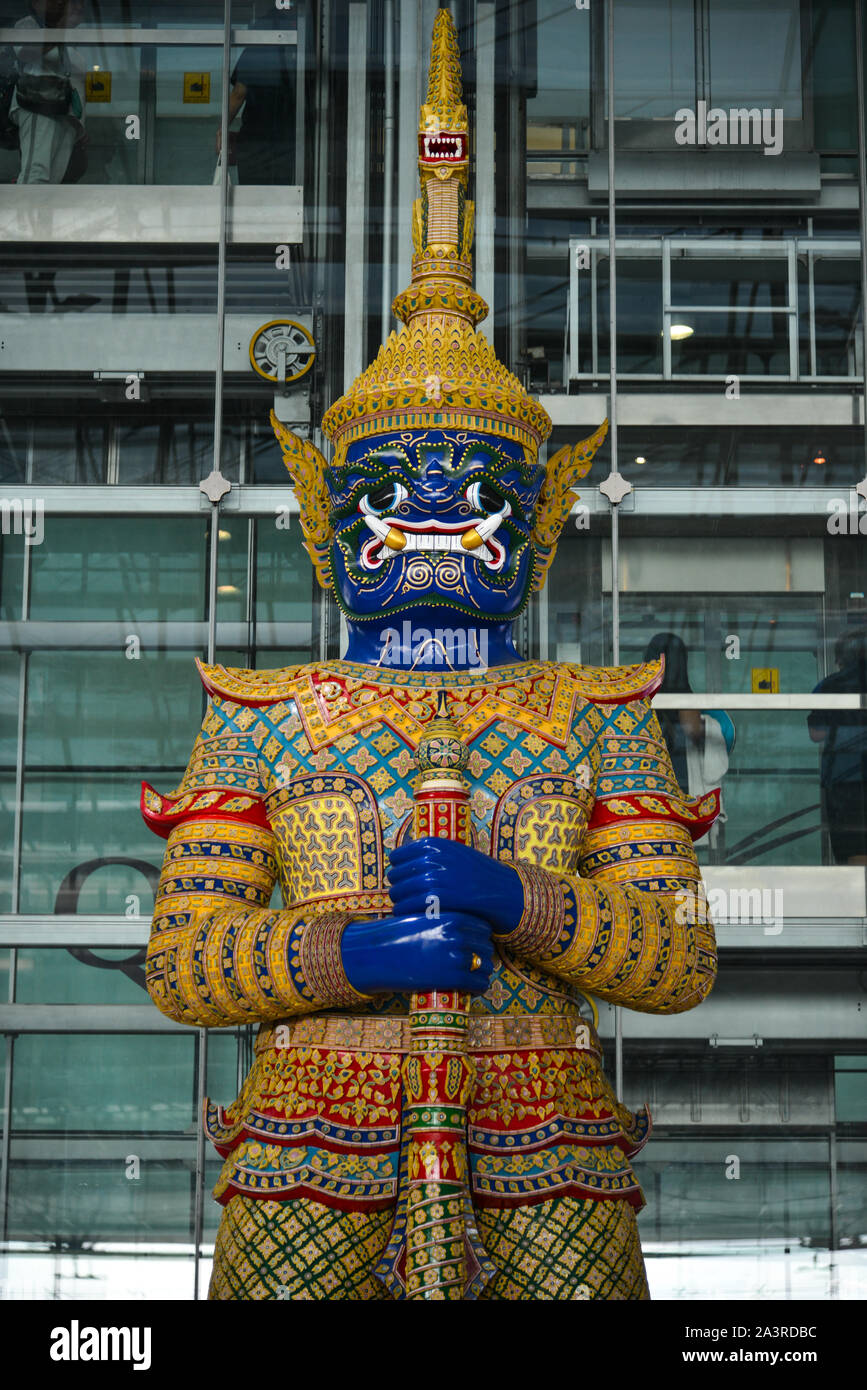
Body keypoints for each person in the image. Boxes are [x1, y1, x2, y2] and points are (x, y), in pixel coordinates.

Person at [143, 12, 719, 1302]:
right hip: (310, 1141)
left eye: (477, 490)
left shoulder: (598, 712)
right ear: (326, 511)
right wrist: (354, 954)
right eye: (401, 486)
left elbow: (678, 959)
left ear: (543, 515)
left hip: (547, 1141)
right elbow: (184, 963)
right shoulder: (265, 711)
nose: (442, 510)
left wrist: (520, 897)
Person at [643, 632, 735, 849]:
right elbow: (700, 730)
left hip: (652, 793)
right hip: (683, 793)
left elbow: (692, 727)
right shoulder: (690, 702)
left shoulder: (642, 704)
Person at [808, 627, 867, 865]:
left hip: (843, 779)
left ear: (840, 658)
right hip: (848, 775)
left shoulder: (828, 685)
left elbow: (816, 733)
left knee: (852, 846)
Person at [216, 9, 295, 185]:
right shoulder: (297, 55)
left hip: (254, 143)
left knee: (253, 198)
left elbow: (238, 94)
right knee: (285, 197)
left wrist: (222, 127)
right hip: (288, 142)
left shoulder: (254, 54)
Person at [11, 0, 86, 185]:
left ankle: (41, 213)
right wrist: (59, 29)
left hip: (67, 112)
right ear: (37, 4)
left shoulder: (76, 36)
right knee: (36, 173)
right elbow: (24, 54)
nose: (76, 7)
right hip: (40, 103)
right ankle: (25, 211)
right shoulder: (28, 24)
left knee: (54, 178)